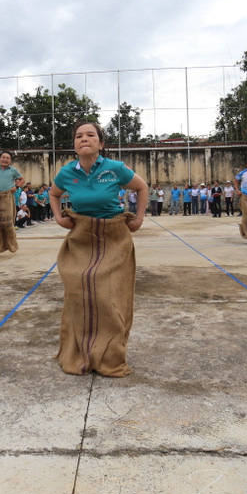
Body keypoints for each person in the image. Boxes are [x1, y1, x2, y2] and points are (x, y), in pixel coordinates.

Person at [50, 121, 148, 377]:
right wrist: (60, 218)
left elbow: (141, 187)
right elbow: (54, 194)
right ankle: (80, 352)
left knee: (109, 297)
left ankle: (110, 356)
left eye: (90, 135)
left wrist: (138, 219)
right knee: (79, 292)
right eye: (79, 136)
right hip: (81, 237)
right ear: (74, 144)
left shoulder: (115, 168)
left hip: (114, 236)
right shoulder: (67, 173)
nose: (84, 139)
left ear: (101, 143)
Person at [0, 150, 25, 253]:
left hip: (7, 197)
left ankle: (12, 246)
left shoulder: (13, 170)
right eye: (3, 157)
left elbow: (22, 179)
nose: (5, 159)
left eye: (7, 158)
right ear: (0, 159)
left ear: (10, 160)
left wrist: (16, 186)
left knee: (8, 223)